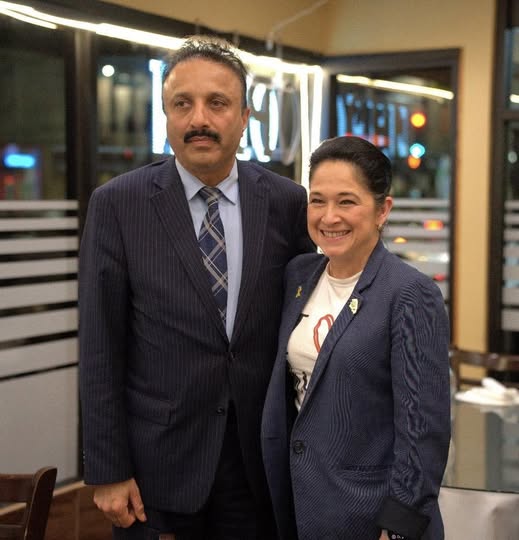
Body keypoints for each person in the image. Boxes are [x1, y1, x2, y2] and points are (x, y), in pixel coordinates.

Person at [78, 35, 314, 540]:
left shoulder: (287, 203)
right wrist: (107, 469)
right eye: (182, 104)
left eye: (217, 103)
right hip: (155, 469)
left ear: (245, 117)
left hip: (257, 465)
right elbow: (100, 347)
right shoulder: (118, 205)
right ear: (165, 114)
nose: (198, 119)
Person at [261, 135, 451, 540]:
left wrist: (398, 527)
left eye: (347, 202)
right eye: (318, 200)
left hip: (369, 512)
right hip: (301, 504)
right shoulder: (298, 275)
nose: (329, 217)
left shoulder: (409, 294)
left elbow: (423, 430)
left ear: (383, 210)